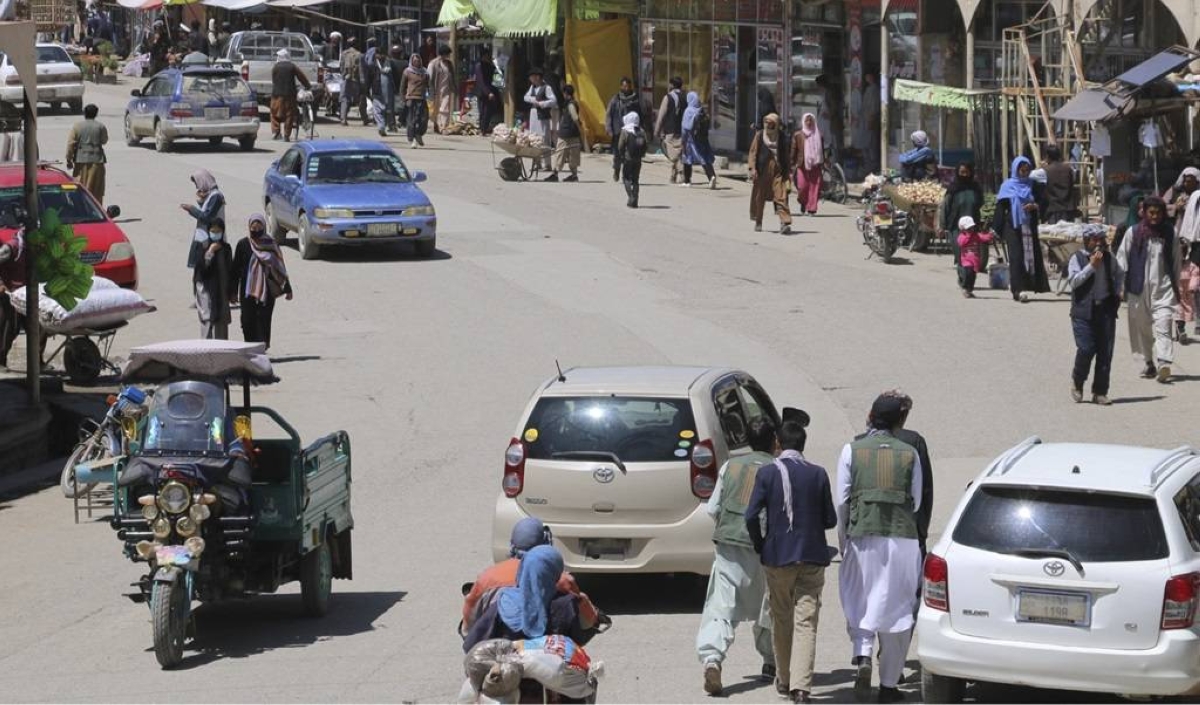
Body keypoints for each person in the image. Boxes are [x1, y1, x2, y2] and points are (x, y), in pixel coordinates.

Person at [837, 395, 924, 705]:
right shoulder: (910, 453)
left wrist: (844, 539)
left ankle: (862, 654)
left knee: (859, 597)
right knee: (897, 608)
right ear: (900, 422)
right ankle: (888, 685)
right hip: (901, 539)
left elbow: (842, 500)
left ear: (871, 417)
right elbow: (917, 500)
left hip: (862, 536)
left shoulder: (852, 450)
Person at [745, 419, 836, 705]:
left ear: (778, 444)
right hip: (811, 556)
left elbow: (750, 516)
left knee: (781, 618)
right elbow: (830, 519)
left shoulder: (767, 474)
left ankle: (784, 679)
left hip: (777, 557)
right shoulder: (818, 474)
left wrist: (761, 545)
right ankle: (802, 689)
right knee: (806, 622)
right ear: (803, 445)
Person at [696, 418, 778, 695]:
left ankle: (713, 659)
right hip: (764, 547)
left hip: (730, 543)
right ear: (774, 442)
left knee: (721, 606)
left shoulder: (731, 466)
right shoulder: (777, 468)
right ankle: (771, 661)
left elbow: (712, 508)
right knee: (768, 604)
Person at [462, 517, 599, 632]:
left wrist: (469, 632)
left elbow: (471, 611)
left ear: (512, 544)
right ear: (546, 543)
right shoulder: (560, 579)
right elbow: (584, 618)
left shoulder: (488, 576)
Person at [462, 545, 584, 653]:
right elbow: (576, 644)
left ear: (523, 568)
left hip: (508, 672)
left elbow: (471, 644)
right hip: (551, 673)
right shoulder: (567, 604)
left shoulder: (505, 601)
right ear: (556, 573)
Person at [1116, 196, 1179, 383]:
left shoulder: (1170, 233)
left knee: (1164, 324)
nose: (1155, 216)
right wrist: (1119, 286)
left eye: (1158, 212)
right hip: (1138, 289)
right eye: (1151, 212)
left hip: (1163, 288)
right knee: (1142, 328)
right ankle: (1149, 362)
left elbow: (1176, 261)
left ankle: (1164, 362)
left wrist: (1175, 287)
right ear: (1144, 212)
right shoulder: (1133, 233)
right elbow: (1121, 260)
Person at [1068, 228, 1120, 405]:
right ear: (1086, 240)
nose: (1098, 244)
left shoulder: (1109, 258)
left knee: (1105, 352)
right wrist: (1091, 266)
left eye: (1101, 240)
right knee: (1086, 348)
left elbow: (1119, 274)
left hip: (1105, 310)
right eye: (1094, 240)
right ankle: (1078, 380)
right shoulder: (1077, 258)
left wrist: (1118, 291)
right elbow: (1074, 282)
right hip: (1083, 311)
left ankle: (1100, 391)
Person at [233, 214, 292, 351]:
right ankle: (250, 348)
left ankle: (261, 350)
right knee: (247, 321)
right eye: (253, 227)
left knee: (264, 321)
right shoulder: (243, 244)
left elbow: (280, 267)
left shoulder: (271, 244)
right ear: (249, 227)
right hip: (248, 291)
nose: (256, 229)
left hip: (267, 291)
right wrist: (232, 292)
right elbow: (235, 269)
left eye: (259, 226)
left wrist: (287, 289)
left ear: (264, 227)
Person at [996, 156, 1051, 303]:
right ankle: (1017, 290)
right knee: (1016, 258)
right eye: (1022, 170)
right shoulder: (1007, 186)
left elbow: (1044, 202)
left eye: (1027, 170)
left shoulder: (1034, 185)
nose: (1024, 173)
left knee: (1030, 257)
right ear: (1015, 169)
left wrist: (1035, 206)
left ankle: (1029, 285)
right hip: (1012, 226)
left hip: (1028, 226)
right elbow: (1000, 209)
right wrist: (996, 229)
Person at [1168, 167, 1200, 343]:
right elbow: (1159, 207)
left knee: (1194, 286)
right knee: (1179, 287)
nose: (1187, 183)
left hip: (1195, 246)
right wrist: (1175, 207)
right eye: (1185, 180)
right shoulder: (1174, 194)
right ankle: (1179, 326)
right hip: (1178, 244)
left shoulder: (1198, 197)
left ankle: (1196, 321)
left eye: (1191, 180)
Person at [748, 114, 792, 234]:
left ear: (776, 125)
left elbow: (786, 157)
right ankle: (758, 221)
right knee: (759, 197)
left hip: (778, 171)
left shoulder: (782, 137)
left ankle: (784, 223)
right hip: (762, 171)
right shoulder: (759, 136)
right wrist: (753, 169)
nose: (768, 126)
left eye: (771, 124)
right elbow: (753, 152)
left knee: (781, 196)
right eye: (766, 123)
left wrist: (788, 173)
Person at [193, 218, 232, 340]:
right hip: (205, 289)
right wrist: (210, 252)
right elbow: (202, 269)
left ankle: (222, 352)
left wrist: (232, 291)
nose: (215, 234)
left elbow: (230, 270)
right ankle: (206, 351)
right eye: (213, 231)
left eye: (218, 231)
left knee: (221, 320)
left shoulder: (226, 248)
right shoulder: (203, 246)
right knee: (207, 319)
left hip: (221, 289)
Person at [940, 162, 984, 267]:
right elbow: (945, 206)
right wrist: (942, 225)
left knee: (971, 249)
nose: (964, 175)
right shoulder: (953, 188)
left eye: (967, 172)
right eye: (962, 172)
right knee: (959, 248)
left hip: (972, 224)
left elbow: (980, 203)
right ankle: (962, 271)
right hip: (955, 224)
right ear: (957, 173)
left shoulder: (975, 188)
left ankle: (969, 269)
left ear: (971, 172)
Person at [181, 170, 225, 271]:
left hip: (211, 239)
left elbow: (207, 217)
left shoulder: (216, 196)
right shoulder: (211, 196)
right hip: (204, 239)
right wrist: (202, 201)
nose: (197, 187)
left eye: (197, 183)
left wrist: (191, 209)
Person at [65, 104, 107, 204]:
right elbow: (104, 140)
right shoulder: (100, 126)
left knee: (80, 188)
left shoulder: (77, 127)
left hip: (80, 162)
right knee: (97, 190)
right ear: (96, 114)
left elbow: (71, 144)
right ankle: (96, 211)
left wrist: (69, 159)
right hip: (97, 161)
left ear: (84, 113)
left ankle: (81, 211)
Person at [605, 77, 642, 182]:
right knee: (618, 154)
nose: (626, 88)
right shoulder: (615, 99)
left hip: (631, 132)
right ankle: (616, 169)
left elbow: (640, 115)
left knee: (629, 154)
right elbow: (609, 114)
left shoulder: (635, 100)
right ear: (621, 86)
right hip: (618, 131)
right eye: (624, 86)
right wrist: (609, 128)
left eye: (628, 86)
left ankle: (627, 175)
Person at [270, 49, 311, 142]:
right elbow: (302, 77)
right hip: (290, 94)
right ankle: (286, 135)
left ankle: (276, 132)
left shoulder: (275, 67)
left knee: (274, 113)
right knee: (289, 114)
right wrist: (308, 86)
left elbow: (273, 79)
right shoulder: (292, 67)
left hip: (276, 94)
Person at [680, 91, 717, 190]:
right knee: (705, 158)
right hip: (702, 138)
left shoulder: (688, 111)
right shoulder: (701, 110)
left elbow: (685, 128)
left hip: (691, 140)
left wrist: (683, 141)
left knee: (687, 158)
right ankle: (711, 176)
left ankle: (687, 180)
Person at [547, 85, 582, 183]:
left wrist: (578, 128)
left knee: (560, 153)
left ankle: (555, 174)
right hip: (573, 133)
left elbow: (575, 118)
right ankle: (574, 175)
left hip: (566, 133)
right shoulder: (573, 103)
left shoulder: (570, 104)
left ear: (566, 94)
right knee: (573, 155)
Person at [790, 113, 822, 216]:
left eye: (811, 120)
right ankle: (803, 202)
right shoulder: (798, 135)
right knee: (802, 187)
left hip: (816, 165)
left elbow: (822, 151)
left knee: (814, 187)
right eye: (807, 120)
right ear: (803, 122)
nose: (809, 122)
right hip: (802, 165)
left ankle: (812, 208)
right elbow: (794, 150)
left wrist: (824, 163)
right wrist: (791, 164)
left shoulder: (818, 135)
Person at [524, 68, 557, 167]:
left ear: (537, 77)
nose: (530, 79)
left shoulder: (546, 87)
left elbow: (553, 100)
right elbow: (525, 97)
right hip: (534, 115)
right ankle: (537, 162)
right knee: (534, 138)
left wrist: (542, 103)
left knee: (544, 139)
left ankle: (547, 163)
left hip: (543, 115)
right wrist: (533, 100)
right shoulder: (532, 87)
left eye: (532, 77)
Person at [655, 77, 685, 184]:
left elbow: (661, 115)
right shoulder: (685, 97)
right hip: (682, 130)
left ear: (671, 85)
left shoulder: (668, 97)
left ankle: (682, 171)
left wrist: (657, 130)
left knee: (673, 153)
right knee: (677, 152)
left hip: (670, 130)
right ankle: (673, 177)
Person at [0, 227, 23, 371]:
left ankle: (38, 360)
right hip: (9, 292)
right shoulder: (12, 247)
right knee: (8, 324)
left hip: (24, 292)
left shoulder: (36, 247)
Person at [956, 216, 994, 299]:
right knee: (968, 273)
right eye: (968, 228)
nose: (971, 230)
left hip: (975, 260)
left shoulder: (976, 235)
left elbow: (984, 238)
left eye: (971, 228)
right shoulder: (962, 236)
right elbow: (961, 243)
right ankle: (965, 288)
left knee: (973, 276)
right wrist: (968, 236)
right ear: (963, 229)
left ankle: (970, 289)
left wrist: (990, 235)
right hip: (966, 260)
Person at [617, 112, 648, 208]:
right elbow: (646, 144)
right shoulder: (641, 131)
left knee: (626, 178)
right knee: (635, 179)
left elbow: (620, 146)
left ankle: (631, 197)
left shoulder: (625, 131)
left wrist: (621, 155)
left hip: (628, 158)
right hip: (638, 159)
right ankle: (636, 199)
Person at [1042, 144, 1078, 223]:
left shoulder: (1045, 171)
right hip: (1068, 209)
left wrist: (1041, 167)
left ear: (1047, 156)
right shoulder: (1069, 169)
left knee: (1055, 234)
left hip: (1054, 210)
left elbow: (1031, 175)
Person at [399, 54, 429, 147]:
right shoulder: (407, 72)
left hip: (422, 98)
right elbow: (402, 86)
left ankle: (419, 134)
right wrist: (403, 98)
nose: (417, 63)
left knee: (423, 119)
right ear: (412, 62)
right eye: (415, 61)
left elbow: (429, 85)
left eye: (418, 61)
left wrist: (432, 95)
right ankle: (412, 139)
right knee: (411, 121)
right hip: (411, 99)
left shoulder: (425, 72)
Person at [427, 44, 455, 134]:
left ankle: (443, 127)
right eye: (447, 54)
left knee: (444, 109)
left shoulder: (449, 64)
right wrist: (429, 90)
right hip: (436, 90)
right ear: (443, 54)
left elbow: (452, 76)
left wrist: (454, 87)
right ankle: (437, 125)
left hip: (446, 90)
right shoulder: (433, 64)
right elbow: (429, 78)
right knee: (435, 110)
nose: (448, 56)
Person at [365, 48, 393, 138]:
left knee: (386, 110)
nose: (380, 56)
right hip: (377, 90)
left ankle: (384, 125)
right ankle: (381, 126)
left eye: (382, 54)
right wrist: (367, 90)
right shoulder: (372, 65)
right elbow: (368, 79)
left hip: (388, 91)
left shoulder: (390, 64)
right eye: (378, 54)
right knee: (377, 110)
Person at [339, 37, 364, 127]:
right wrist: (362, 81)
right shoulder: (359, 55)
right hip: (355, 80)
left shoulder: (344, 54)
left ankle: (343, 118)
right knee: (361, 99)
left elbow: (341, 67)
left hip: (346, 79)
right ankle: (365, 118)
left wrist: (343, 76)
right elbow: (361, 69)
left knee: (345, 99)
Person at [474, 49, 501, 136]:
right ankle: (482, 130)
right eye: (486, 56)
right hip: (483, 92)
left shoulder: (490, 66)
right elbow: (481, 81)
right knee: (483, 111)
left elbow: (495, 77)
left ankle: (483, 129)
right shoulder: (479, 66)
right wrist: (488, 92)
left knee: (488, 111)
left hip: (490, 91)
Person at [860, 72, 881, 172]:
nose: (866, 77)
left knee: (871, 144)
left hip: (870, 120)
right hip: (866, 120)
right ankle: (869, 165)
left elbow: (874, 107)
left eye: (868, 76)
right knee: (867, 144)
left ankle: (873, 165)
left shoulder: (874, 89)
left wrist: (871, 120)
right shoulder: (870, 88)